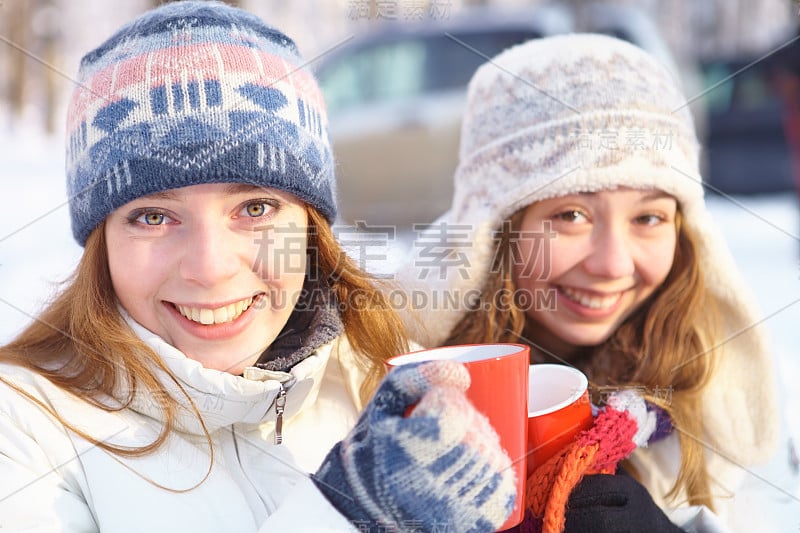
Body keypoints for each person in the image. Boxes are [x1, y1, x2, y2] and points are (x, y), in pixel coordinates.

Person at [0, 2, 517, 531]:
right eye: (153, 216)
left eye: (255, 208)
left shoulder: (388, 378)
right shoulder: (23, 426)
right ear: (100, 241)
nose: (210, 268)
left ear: (310, 226)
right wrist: (341, 518)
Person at [397, 33, 780, 531]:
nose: (612, 264)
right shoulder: (389, 393)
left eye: (648, 218)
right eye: (571, 215)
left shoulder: (709, 393)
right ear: (493, 233)